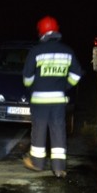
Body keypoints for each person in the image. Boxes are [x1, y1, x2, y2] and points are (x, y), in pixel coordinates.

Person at [22, 15, 82, 178]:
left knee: (39, 131)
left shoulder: (36, 51)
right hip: (58, 100)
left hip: (40, 101)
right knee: (58, 131)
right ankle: (59, 168)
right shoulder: (68, 51)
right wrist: (65, 86)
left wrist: (33, 86)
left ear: (41, 32)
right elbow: (77, 74)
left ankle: (37, 163)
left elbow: (27, 77)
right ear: (56, 31)